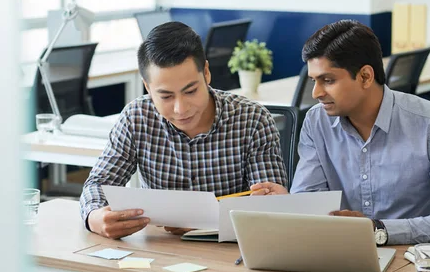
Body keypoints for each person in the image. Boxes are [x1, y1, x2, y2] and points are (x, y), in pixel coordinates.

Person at [251, 19, 430, 245]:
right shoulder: (316, 121)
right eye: (313, 80)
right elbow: (311, 202)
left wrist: (378, 229)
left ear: (365, 76)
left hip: (413, 261)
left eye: (328, 80)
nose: (316, 93)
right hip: (340, 254)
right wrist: (289, 204)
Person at [80, 21, 288, 239]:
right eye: (166, 96)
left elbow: (269, 205)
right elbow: (98, 184)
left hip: (231, 250)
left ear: (206, 73)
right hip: (162, 250)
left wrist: (211, 222)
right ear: (147, 87)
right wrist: (94, 217)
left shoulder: (252, 119)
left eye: (190, 91)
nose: (181, 109)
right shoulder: (136, 118)